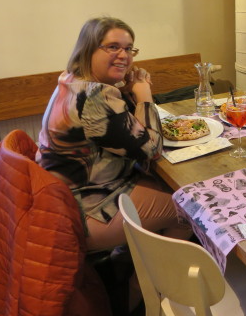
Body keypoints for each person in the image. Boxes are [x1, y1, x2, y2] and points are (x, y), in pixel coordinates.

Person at [36, 16, 190, 252]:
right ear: (88, 50)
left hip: (68, 200)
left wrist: (128, 92)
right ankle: (149, 286)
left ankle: (129, 260)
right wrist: (144, 94)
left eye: (129, 49)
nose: (124, 56)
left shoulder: (72, 80)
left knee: (170, 187)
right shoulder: (94, 97)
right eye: (113, 47)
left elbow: (121, 133)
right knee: (194, 211)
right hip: (87, 211)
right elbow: (152, 150)